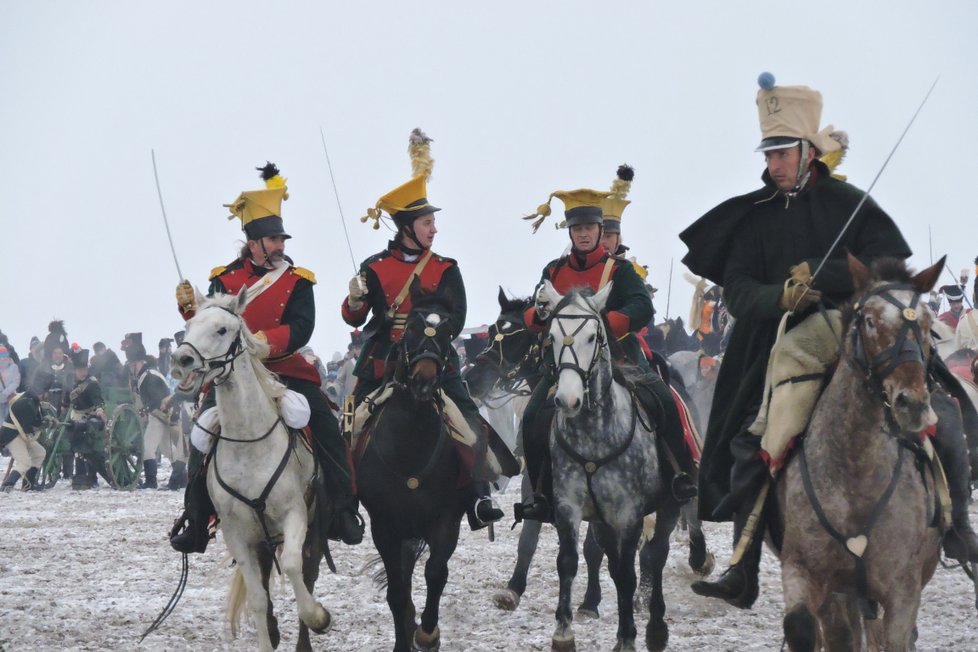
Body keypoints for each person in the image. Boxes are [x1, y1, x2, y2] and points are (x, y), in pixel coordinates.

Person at [680, 73, 978, 609]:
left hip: (861, 331)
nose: (774, 164)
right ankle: (742, 564)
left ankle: (958, 528)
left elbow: (893, 269)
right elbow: (739, 291)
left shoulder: (850, 203)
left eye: (783, 153)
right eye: (768, 154)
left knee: (949, 415)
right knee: (752, 438)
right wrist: (781, 296)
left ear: (808, 151)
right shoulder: (754, 219)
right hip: (784, 342)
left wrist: (822, 275)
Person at [169, 162, 363, 553]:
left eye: (281, 239)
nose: (281, 246)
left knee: (326, 429)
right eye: (273, 239)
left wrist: (262, 343)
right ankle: (196, 516)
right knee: (202, 437)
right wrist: (188, 309)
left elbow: (302, 326)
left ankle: (344, 508)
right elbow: (207, 324)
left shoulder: (298, 280)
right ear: (253, 242)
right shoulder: (223, 279)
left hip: (285, 370)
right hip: (232, 377)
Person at [343, 128, 504, 529]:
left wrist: (428, 340)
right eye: (427, 222)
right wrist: (356, 300)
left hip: (433, 360)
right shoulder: (374, 267)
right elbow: (354, 319)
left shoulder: (446, 268)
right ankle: (341, 504)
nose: (434, 230)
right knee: (348, 428)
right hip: (382, 363)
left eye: (433, 222)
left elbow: (458, 317)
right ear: (406, 225)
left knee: (469, 422)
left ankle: (479, 498)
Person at [515, 178, 696, 523]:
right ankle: (540, 494)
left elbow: (642, 306)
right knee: (532, 416)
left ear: (601, 230)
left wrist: (602, 325)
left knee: (664, 399)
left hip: (621, 360)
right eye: (577, 228)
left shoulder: (620, 270)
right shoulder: (553, 271)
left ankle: (677, 474)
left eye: (590, 228)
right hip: (564, 367)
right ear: (569, 232)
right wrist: (537, 314)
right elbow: (532, 314)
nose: (583, 234)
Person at [130, 340, 187, 490]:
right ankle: (182, 479)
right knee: (168, 449)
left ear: (139, 363)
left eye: (133, 365)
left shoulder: (149, 376)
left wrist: (146, 411)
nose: (131, 368)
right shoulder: (149, 374)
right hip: (162, 415)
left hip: (160, 415)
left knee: (147, 447)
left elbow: (157, 400)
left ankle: (151, 482)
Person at [64, 348, 109, 490]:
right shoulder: (71, 381)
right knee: (76, 446)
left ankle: (92, 477)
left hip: (90, 416)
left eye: (84, 369)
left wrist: (100, 409)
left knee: (89, 447)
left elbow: (98, 400)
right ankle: (80, 475)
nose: (83, 372)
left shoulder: (92, 383)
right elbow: (66, 400)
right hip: (75, 415)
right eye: (79, 370)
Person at [1, 370, 54, 491]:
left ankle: (27, 484)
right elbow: (29, 427)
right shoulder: (26, 402)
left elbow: (36, 419)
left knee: (40, 453)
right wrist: (46, 423)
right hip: (12, 435)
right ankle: (7, 485)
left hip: (21, 434)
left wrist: (47, 420)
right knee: (24, 462)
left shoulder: (32, 400)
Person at [1, 345, 21, 425]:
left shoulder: (13, 367)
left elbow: (16, 382)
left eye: (3, 354)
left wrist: (5, 393)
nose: (2, 357)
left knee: (11, 421)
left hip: (11, 399)